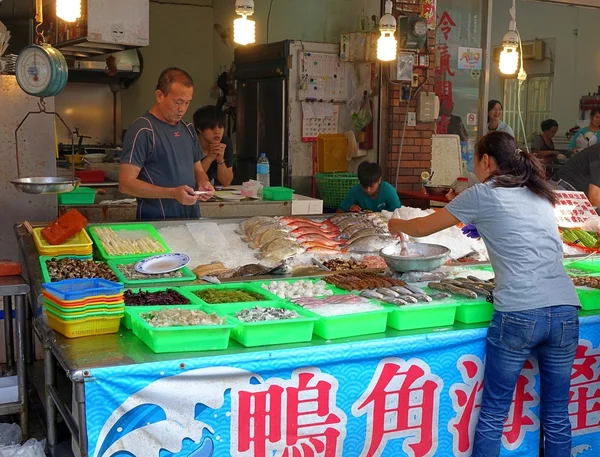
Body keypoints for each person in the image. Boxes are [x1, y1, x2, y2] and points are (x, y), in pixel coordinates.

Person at [389, 131, 580, 457]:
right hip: (565, 308)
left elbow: (423, 227)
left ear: (487, 161)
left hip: (520, 312)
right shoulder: (539, 192)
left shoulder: (483, 193)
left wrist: (397, 224)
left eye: (474, 160)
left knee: (493, 412)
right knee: (557, 414)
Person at [119, 68, 215, 220]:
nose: (182, 109)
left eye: (187, 103)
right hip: (157, 222)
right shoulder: (143, 130)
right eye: (177, 102)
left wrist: (204, 183)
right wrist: (172, 193)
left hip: (192, 219)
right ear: (159, 95)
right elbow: (125, 184)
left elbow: (198, 170)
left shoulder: (188, 129)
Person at [193, 105, 234, 187]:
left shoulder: (225, 143)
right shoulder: (190, 143)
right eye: (212, 128)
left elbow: (226, 183)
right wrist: (209, 158)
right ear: (199, 129)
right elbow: (191, 180)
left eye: (220, 127)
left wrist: (220, 160)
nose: (217, 132)